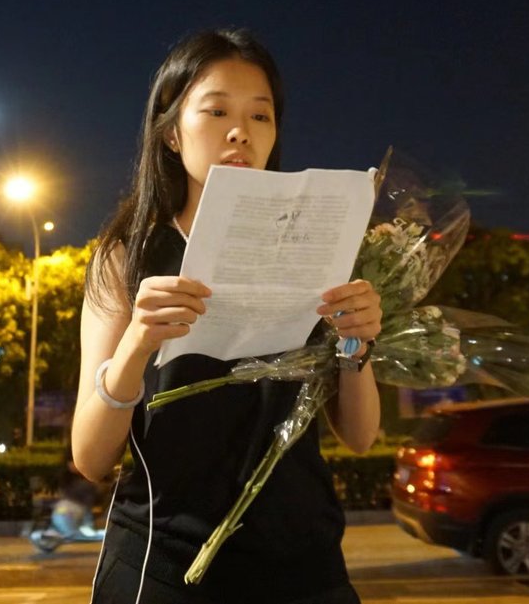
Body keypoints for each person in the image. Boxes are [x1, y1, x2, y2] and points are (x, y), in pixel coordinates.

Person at [71, 29, 383, 604]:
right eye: (215, 111)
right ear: (170, 133)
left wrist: (357, 342)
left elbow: (360, 437)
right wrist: (138, 342)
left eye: (260, 117)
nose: (240, 131)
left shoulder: (321, 248)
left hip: (307, 565)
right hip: (168, 568)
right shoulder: (128, 255)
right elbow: (90, 457)